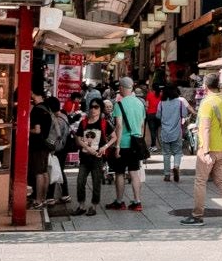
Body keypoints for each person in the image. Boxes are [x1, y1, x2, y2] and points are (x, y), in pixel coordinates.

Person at [184, 73, 222, 226]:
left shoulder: (207, 103)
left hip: (209, 149)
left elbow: (205, 128)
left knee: (200, 181)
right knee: (221, 180)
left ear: (205, 86)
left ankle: (197, 215)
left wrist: (205, 151)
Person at [107, 76, 147, 212]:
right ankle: (137, 202)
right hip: (136, 144)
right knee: (134, 173)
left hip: (123, 144)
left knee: (119, 173)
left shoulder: (120, 104)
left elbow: (119, 126)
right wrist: (139, 138)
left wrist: (117, 145)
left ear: (122, 88)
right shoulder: (140, 103)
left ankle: (119, 202)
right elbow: (142, 125)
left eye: (119, 88)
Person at [75, 99, 109, 216]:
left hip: (97, 159)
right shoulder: (83, 123)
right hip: (84, 157)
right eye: (92, 107)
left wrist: (104, 147)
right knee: (80, 181)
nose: (93, 110)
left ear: (101, 109)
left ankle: (93, 206)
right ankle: (81, 205)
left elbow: (114, 136)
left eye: (96, 107)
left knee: (96, 182)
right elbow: (78, 139)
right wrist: (87, 147)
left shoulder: (104, 123)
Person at [28, 85, 55, 211]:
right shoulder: (47, 108)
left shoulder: (36, 110)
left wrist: (25, 129)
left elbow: (37, 130)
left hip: (38, 145)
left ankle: (38, 200)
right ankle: (43, 198)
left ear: (33, 93)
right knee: (44, 172)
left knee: (38, 173)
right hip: (46, 144)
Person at [156, 83, 190, 182]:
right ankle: (176, 166)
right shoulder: (179, 103)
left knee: (166, 154)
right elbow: (184, 114)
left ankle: (167, 175)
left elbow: (158, 116)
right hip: (177, 132)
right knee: (178, 152)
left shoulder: (161, 103)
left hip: (165, 132)